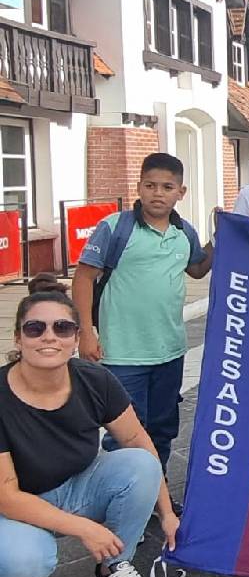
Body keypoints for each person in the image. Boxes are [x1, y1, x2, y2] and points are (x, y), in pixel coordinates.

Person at [0, 276, 178, 577]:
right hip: (14, 504)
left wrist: (167, 512)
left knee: (140, 464)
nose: (49, 336)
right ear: (18, 338)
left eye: (62, 328)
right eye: (35, 328)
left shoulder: (94, 380)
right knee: (24, 561)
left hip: (76, 487)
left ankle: (113, 568)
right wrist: (86, 529)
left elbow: (138, 441)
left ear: (76, 339)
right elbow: (7, 496)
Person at [72, 153, 212, 475]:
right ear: (139, 187)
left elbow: (198, 268)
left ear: (181, 192)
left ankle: (155, 494)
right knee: (125, 433)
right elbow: (83, 278)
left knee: (163, 428)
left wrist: (222, 237)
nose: (158, 193)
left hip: (169, 352)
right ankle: (122, 498)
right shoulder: (115, 228)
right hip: (122, 354)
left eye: (167, 187)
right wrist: (86, 332)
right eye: (150, 185)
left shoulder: (184, 233)